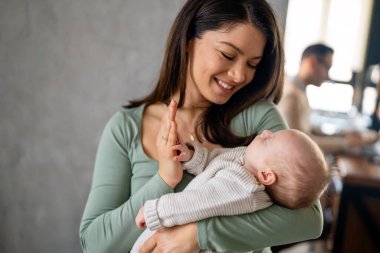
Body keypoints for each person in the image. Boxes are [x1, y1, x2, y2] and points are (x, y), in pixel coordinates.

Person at [79, 1, 325, 253]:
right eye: (228, 55)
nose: (240, 75)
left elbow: (309, 220)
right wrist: (164, 179)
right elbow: (95, 243)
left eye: (252, 64)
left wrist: (200, 235)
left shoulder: (259, 120)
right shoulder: (128, 127)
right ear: (188, 40)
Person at [131, 112, 329, 253]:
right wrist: (192, 157)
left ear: (267, 176)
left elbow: (197, 202)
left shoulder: (243, 188)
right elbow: (215, 162)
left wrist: (155, 211)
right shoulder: (246, 161)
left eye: (270, 140)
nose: (266, 132)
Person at [278, 43, 378, 154]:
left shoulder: (299, 89)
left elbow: (306, 130)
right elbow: (300, 144)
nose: (327, 76)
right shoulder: (292, 96)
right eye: (327, 67)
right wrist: (346, 143)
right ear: (312, 62)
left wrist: (341, 134)